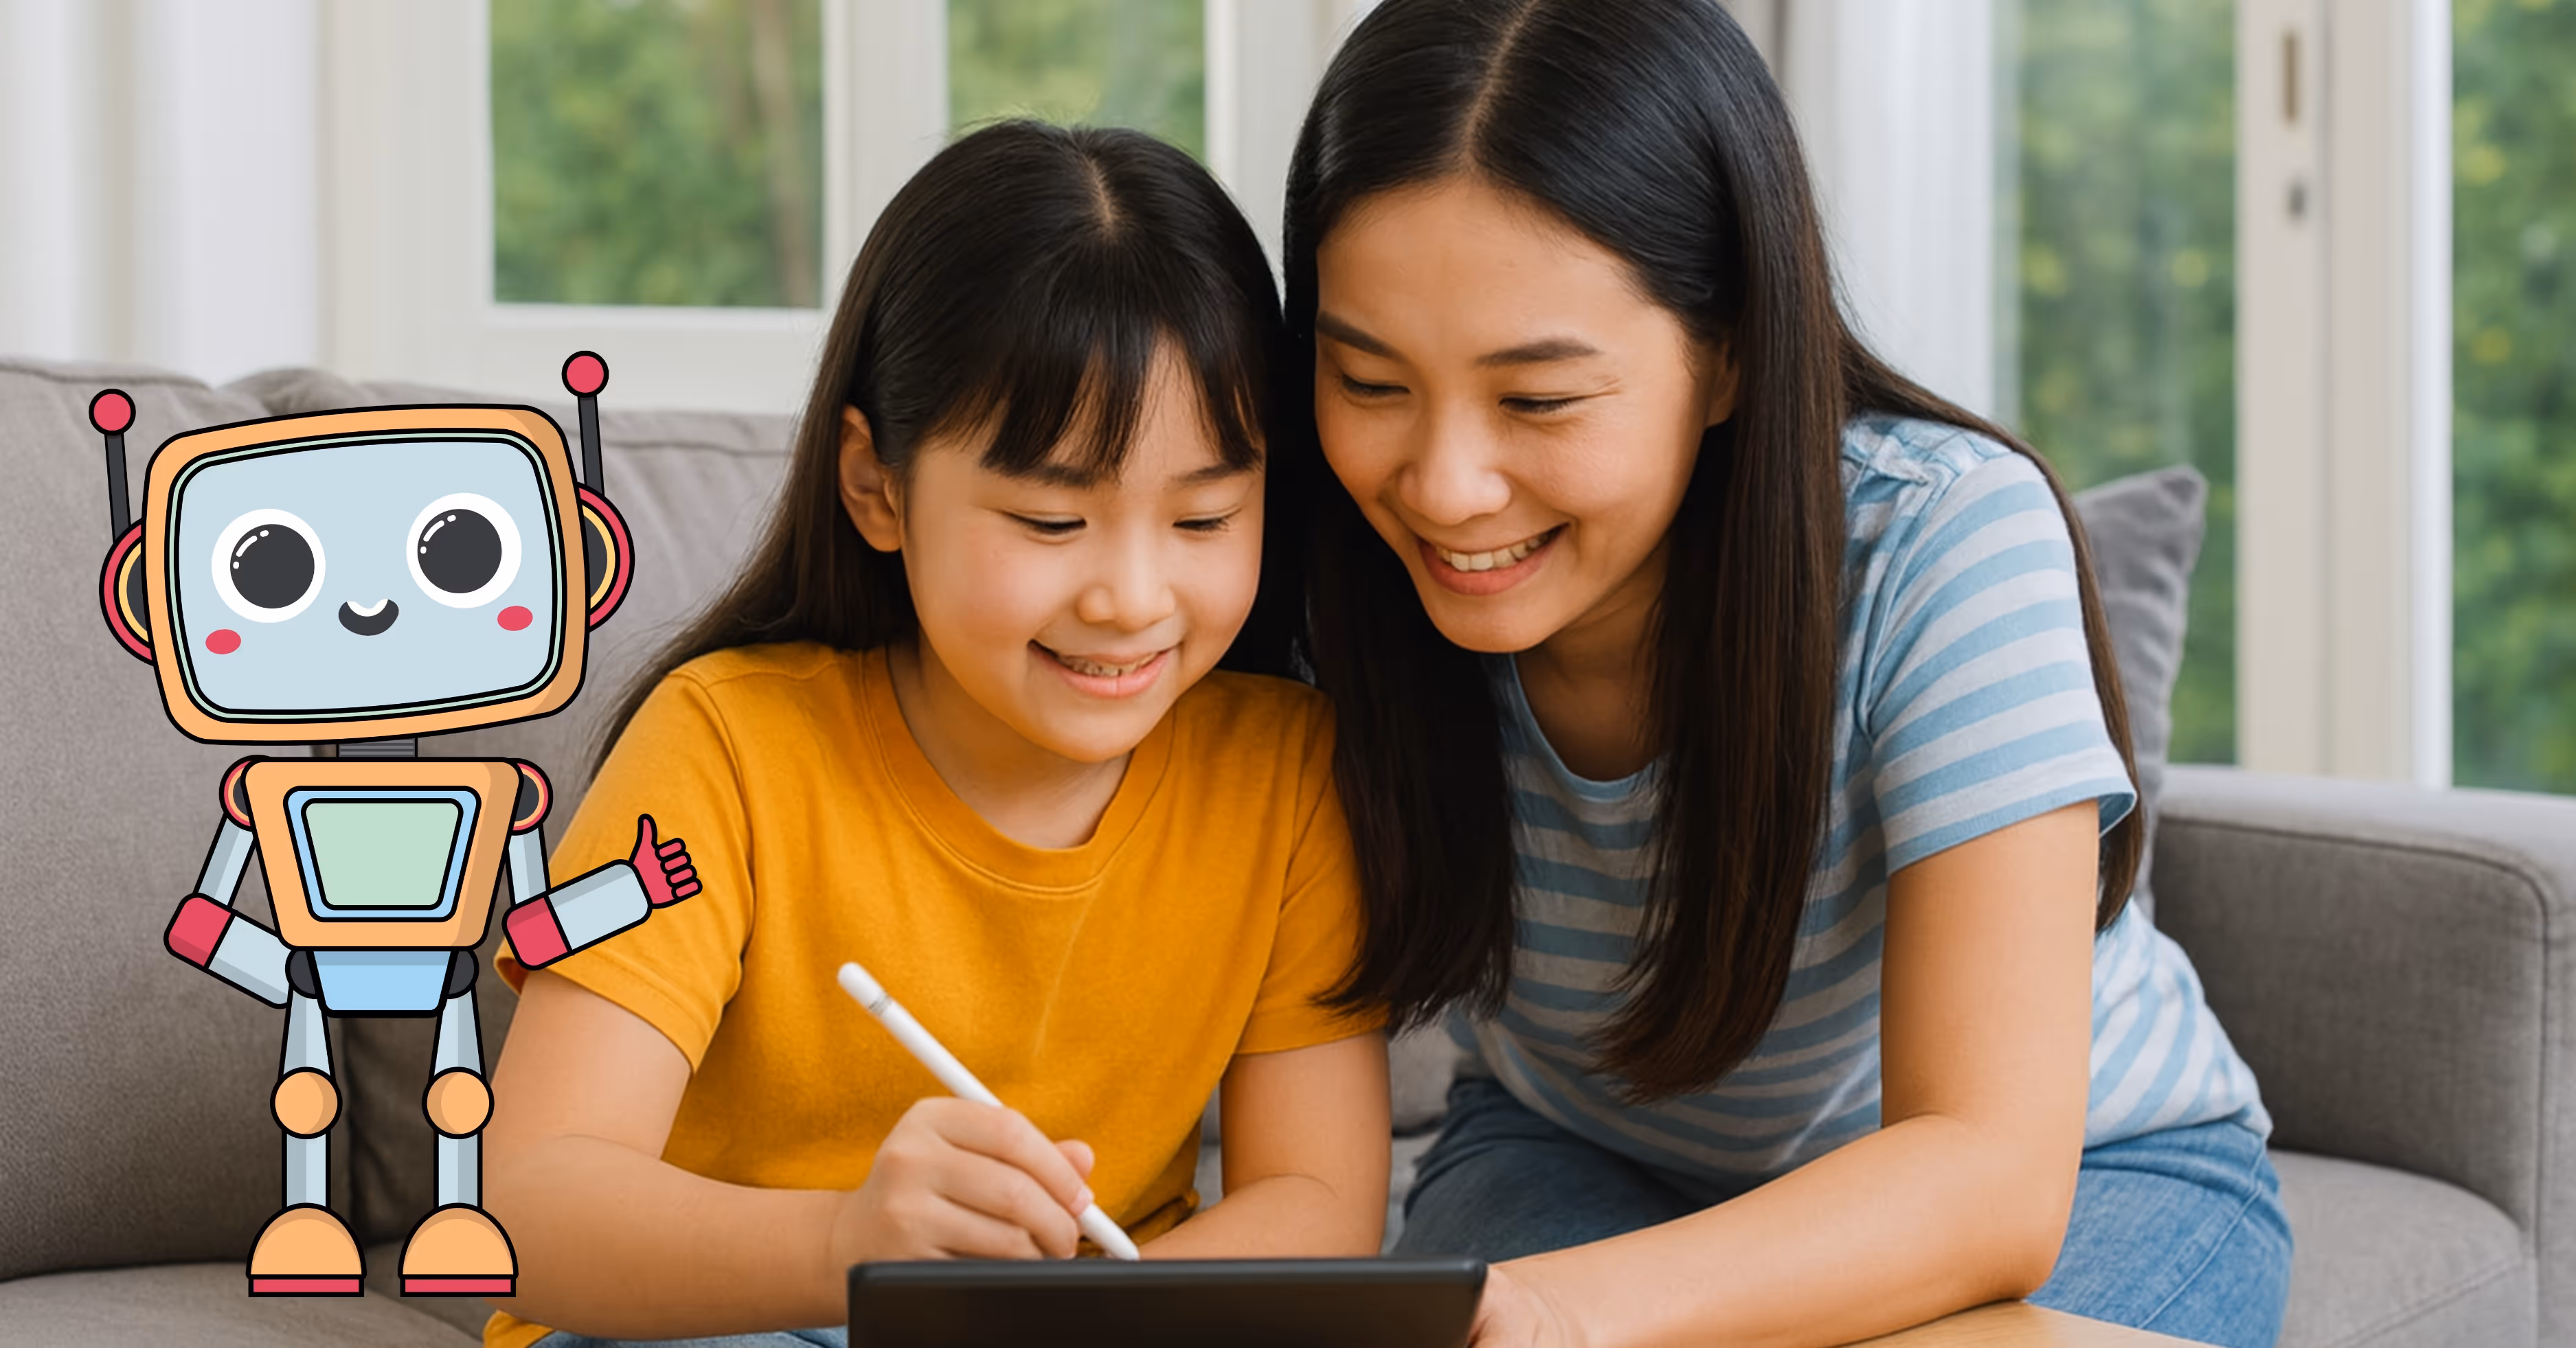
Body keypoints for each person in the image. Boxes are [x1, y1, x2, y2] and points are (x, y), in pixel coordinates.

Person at [1282, 2, 2288, 1345]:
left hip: (2095, 1174)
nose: (1447, 487)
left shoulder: (1946, 539)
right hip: (1582, 1158)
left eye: (1538, 401)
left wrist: (1569, 1317)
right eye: (1370, 382)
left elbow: (1989, 1174)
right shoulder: (1325, 572)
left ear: (1731, 351)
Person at [479, 120, 1391, 1348]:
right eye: (1051, 520)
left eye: (1204, 516)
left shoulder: (1282, 776)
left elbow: (1319, 1205)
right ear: (877, 487)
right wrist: (847, 1248)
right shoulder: (724, 749)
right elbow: (527, 1211)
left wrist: (1084, 1316)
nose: (1129, 597)